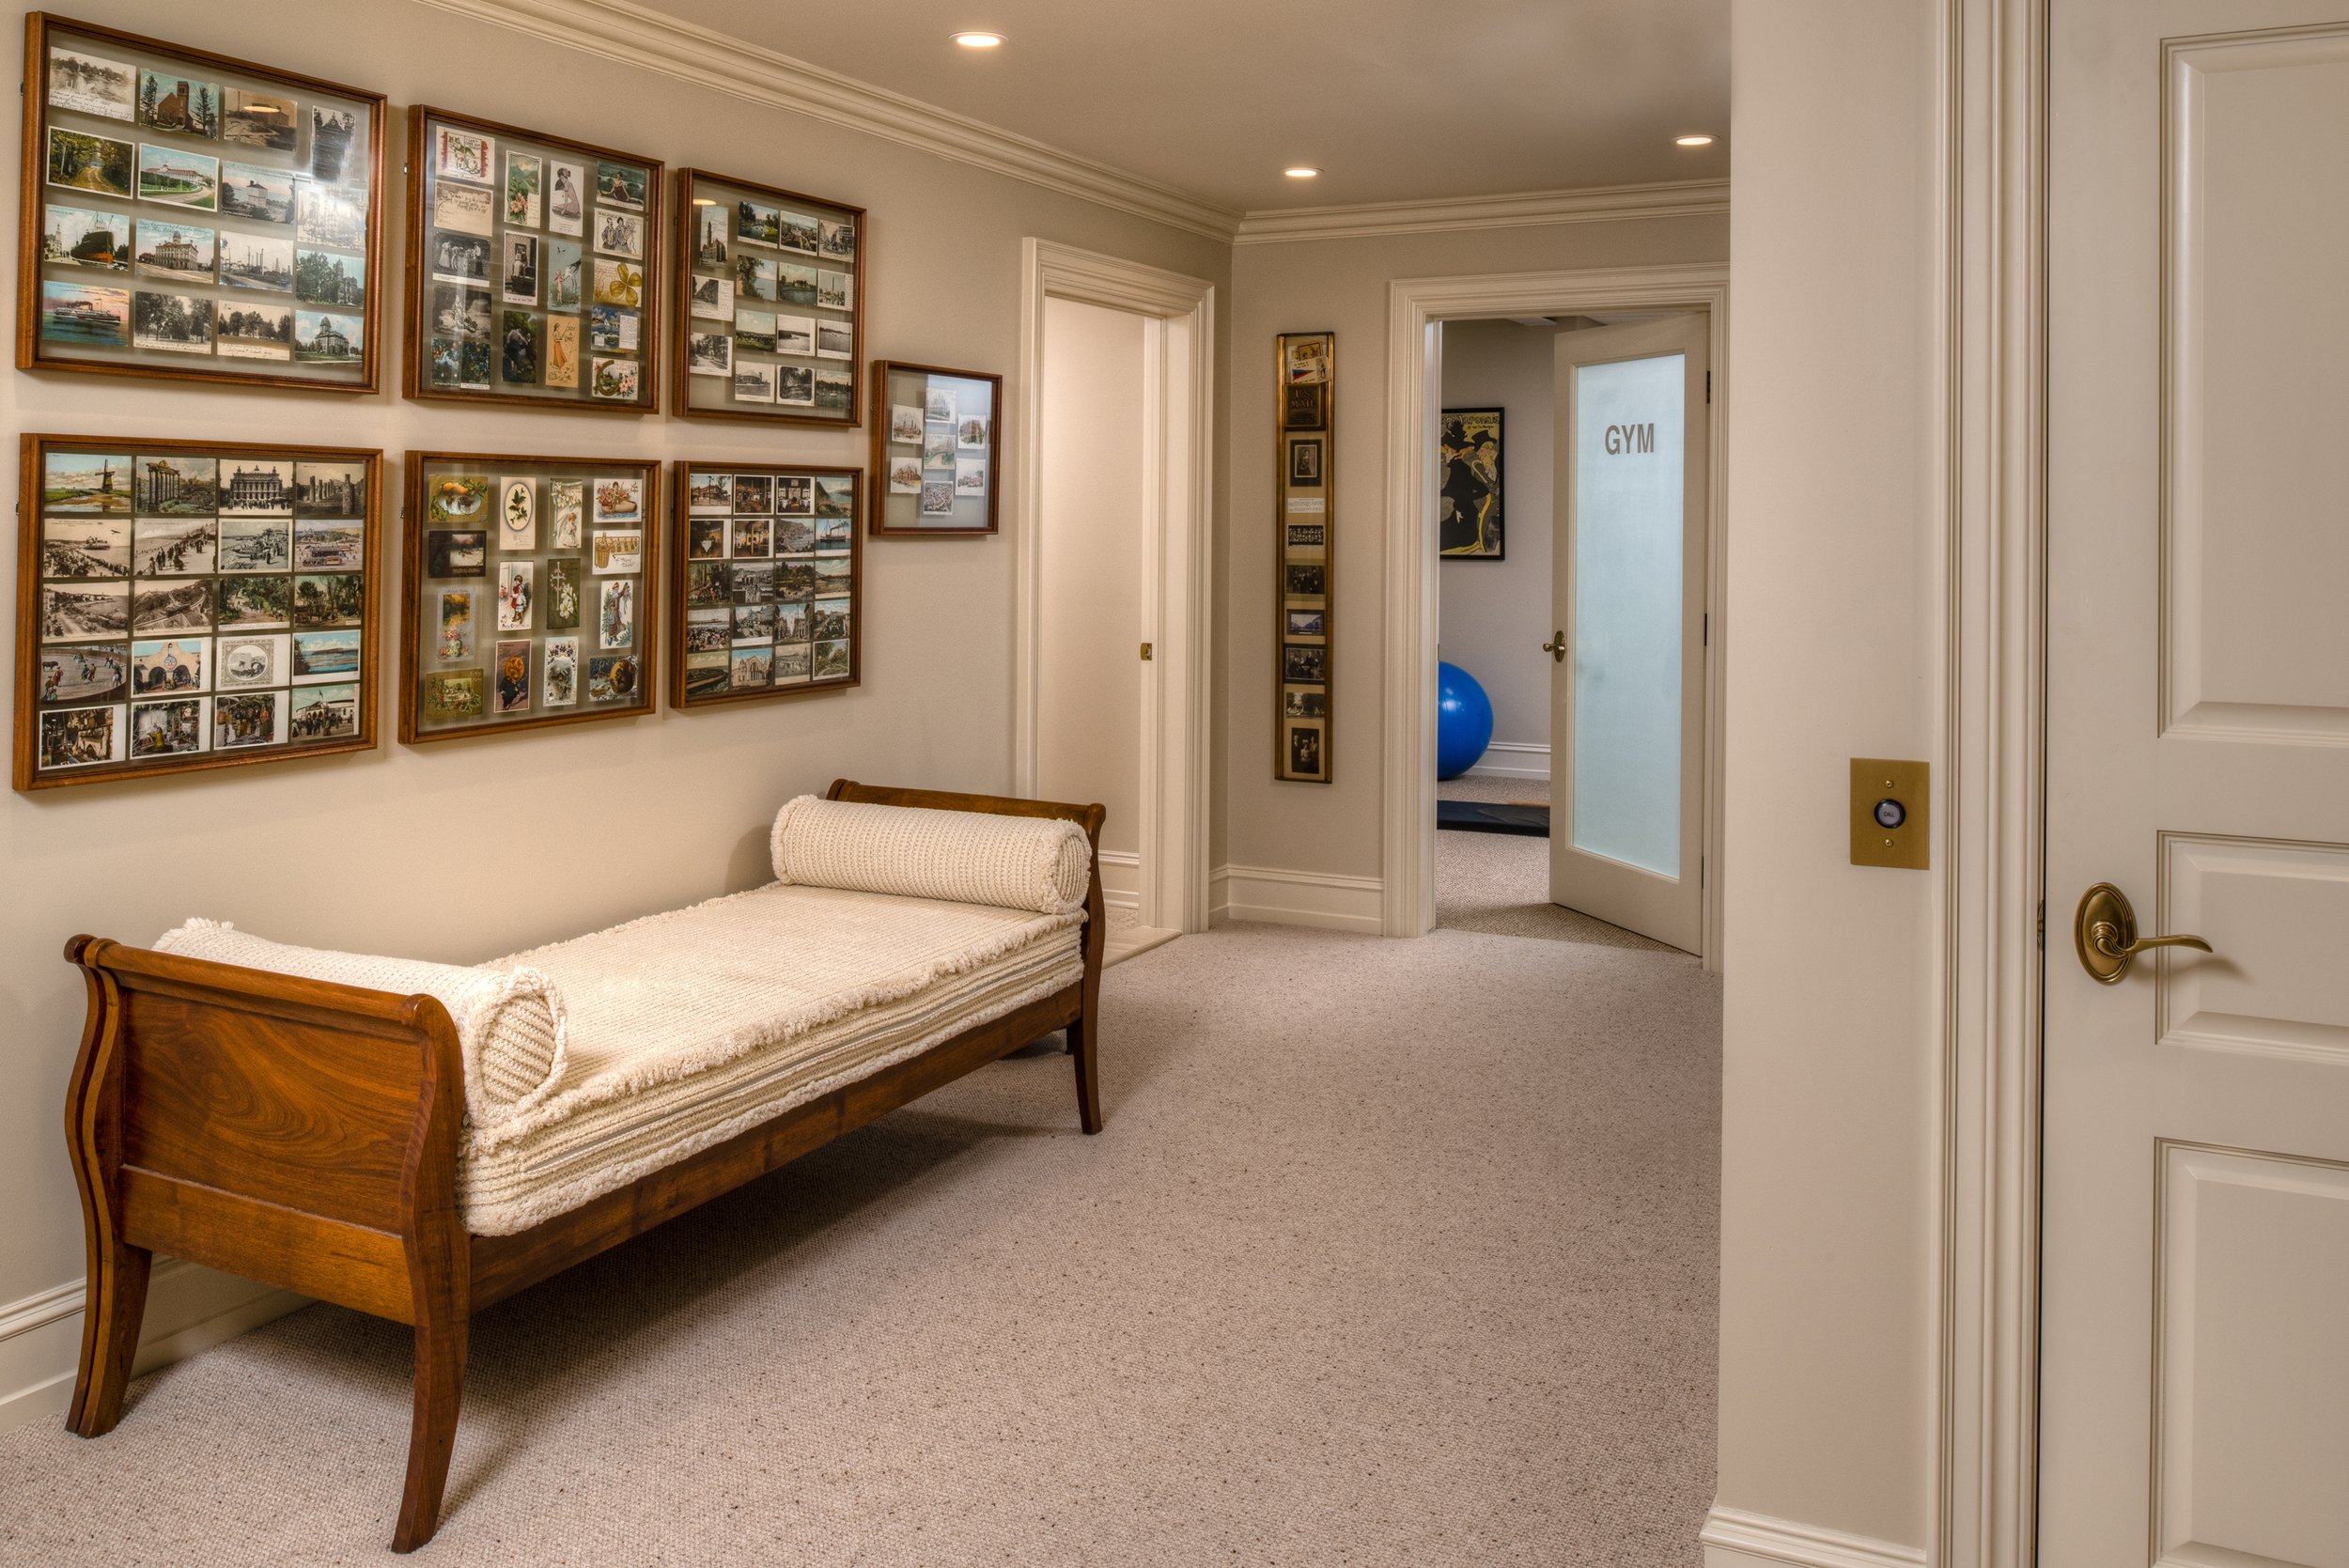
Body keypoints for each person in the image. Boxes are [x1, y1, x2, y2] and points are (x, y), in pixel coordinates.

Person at [1439, 427, 1499, 553]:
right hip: (1458, 515)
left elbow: (1483, 490)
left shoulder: (1461, 469)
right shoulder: (1456, 468)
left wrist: (1463, 500)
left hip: (1465, 521)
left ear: (1454, 452)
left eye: (1447, 451)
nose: (1446, 454)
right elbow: (1450, 490)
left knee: (1436, 540)